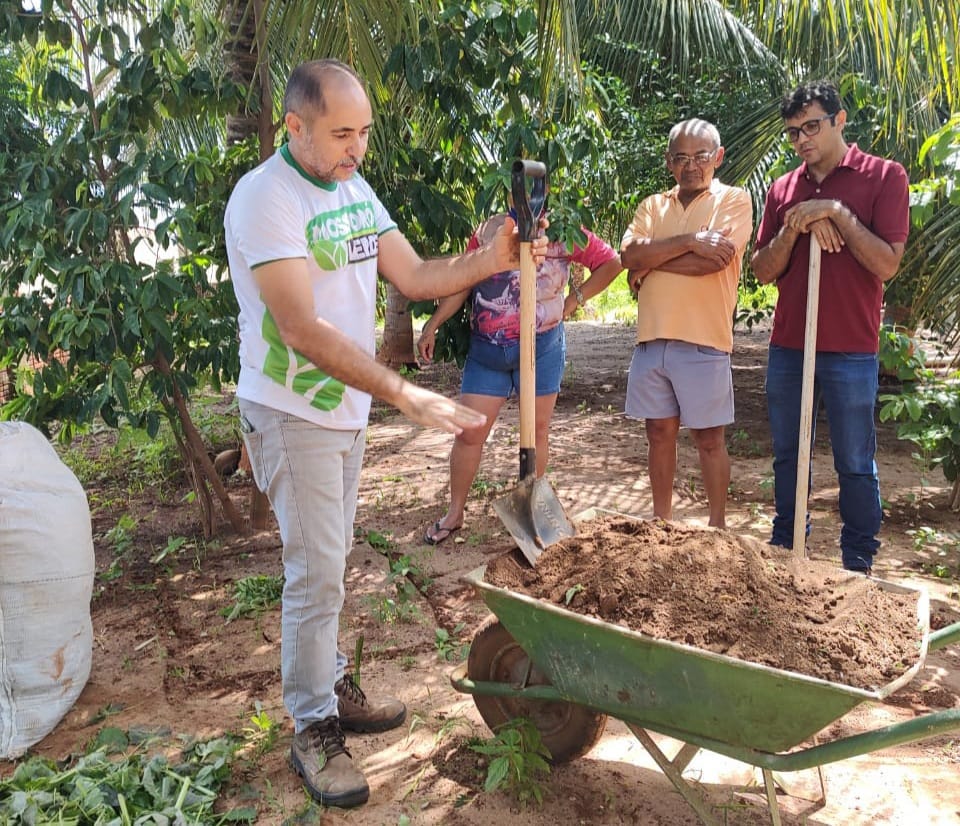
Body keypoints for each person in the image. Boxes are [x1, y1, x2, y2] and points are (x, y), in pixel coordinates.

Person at [223, 59, 548, 809]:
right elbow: (300, 330)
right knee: (316, 570)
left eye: (363, 132)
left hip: (342, 412)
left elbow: (414, 276)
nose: (357, 149)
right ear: (293, 126)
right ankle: (312, 726)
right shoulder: (264, 199)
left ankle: (331, 685)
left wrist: (489, 259)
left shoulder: (352, 186)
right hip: (291, 410)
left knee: (328, 562)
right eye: (341, 134)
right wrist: (403, 392)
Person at [751, 80, 909, 573]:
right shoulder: (783, 190)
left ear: (840, 121)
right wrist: (796, 225)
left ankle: (858, 559)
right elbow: (762, 269)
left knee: (854, 461)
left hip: (851, 348)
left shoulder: (884, 177)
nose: (802, 139)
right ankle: (788, 543)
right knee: (788, 455)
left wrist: (837, 213)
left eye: (812, 126)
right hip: (790, 346)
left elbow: (887, 263)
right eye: (794, 132)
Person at [417, 210, 623, 545]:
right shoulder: (488, 231)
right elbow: (464, 279)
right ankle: (455, 513)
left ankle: (531, 513)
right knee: (469, 432)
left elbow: (611, 262)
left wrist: (573, 302)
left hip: (542, 347)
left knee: (536, 431)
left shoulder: (561, 229)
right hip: (489, 350)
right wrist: (433, 323)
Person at [619, 118, 753, 528]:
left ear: (718, 157)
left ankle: (717, 526)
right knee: (658, 434)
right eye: (680, 158)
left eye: (700, 157)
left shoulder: (734, 200)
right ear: (668, 162)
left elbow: (712, 262)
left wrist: (652, 263)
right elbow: (628, 256)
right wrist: (691, 240)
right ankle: (662, 522)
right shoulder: (652, 205)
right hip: (651, 341)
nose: (690, 166)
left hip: (703, 340)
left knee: (709, 439)